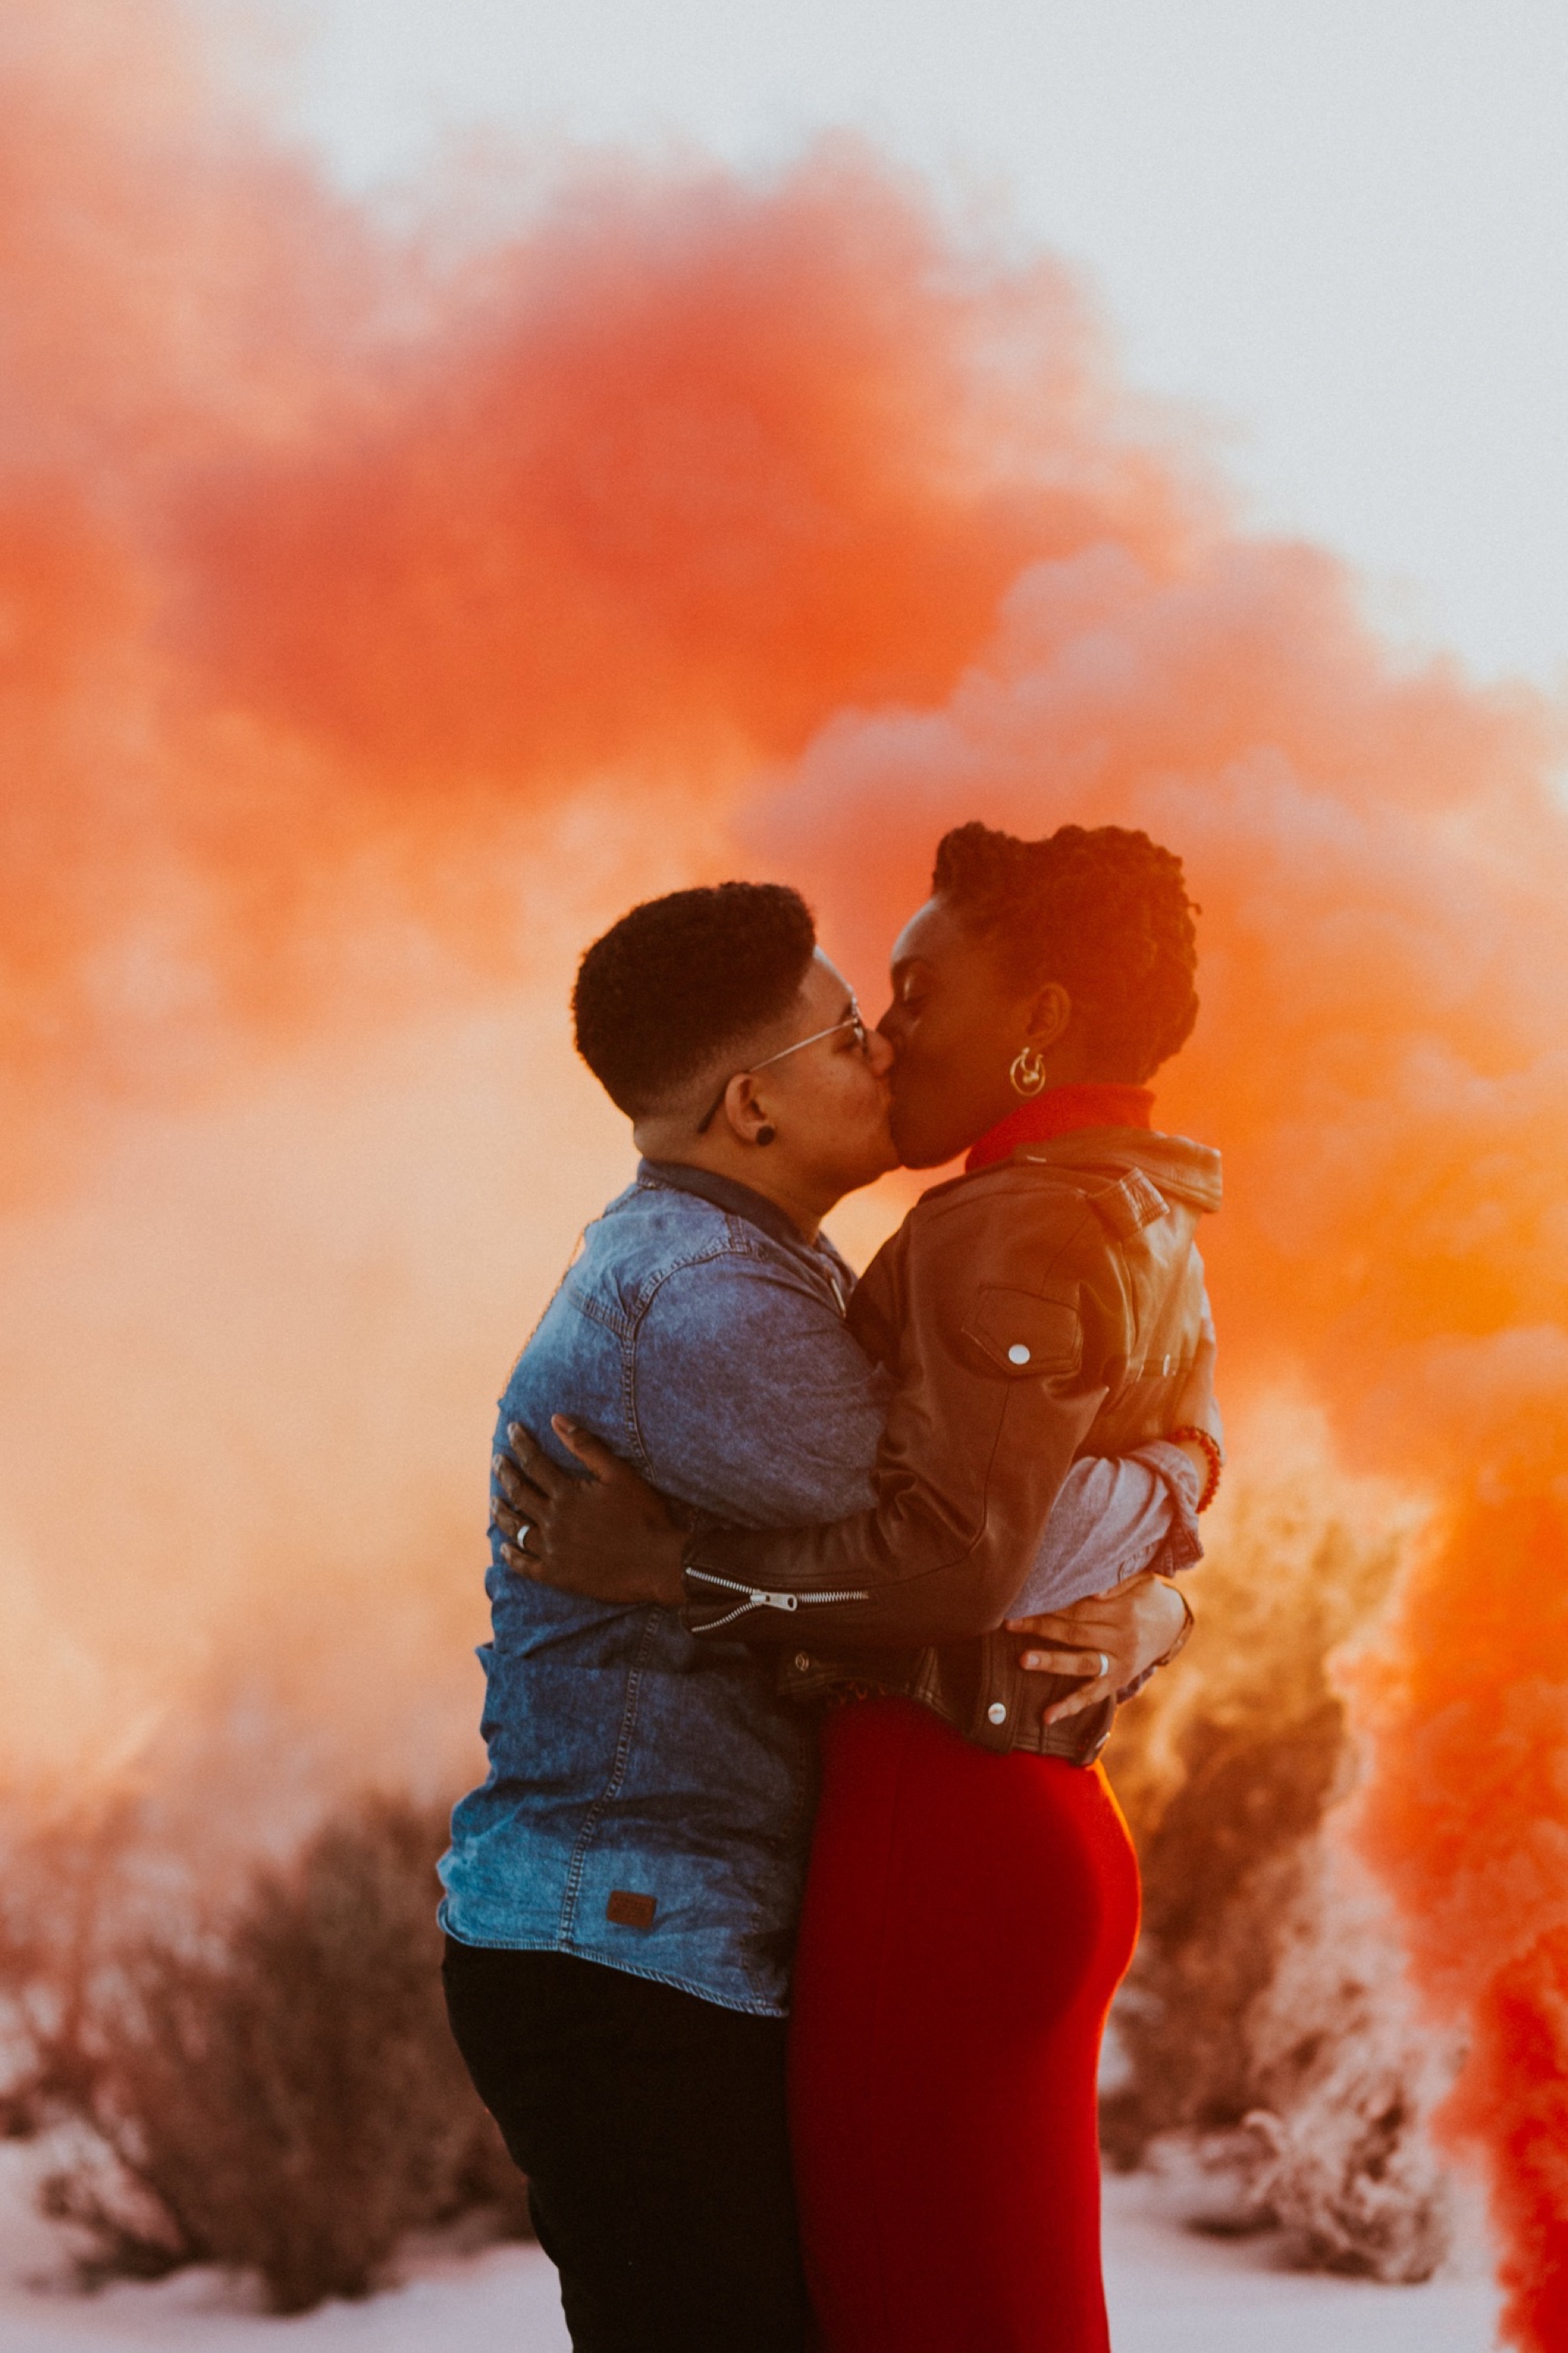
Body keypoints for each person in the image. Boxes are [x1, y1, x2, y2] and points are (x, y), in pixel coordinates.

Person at [441, 875, 1212, 2353]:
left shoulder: (757, 1261)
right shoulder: (713, 1309)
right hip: (637, 1955)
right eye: (851, 1030)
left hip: (655, 1938)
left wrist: (1156, 1617)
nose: (884, 1053)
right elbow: (975, 1548)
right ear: (754, 1105)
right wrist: (1179, 1479)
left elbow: (961, 1545)